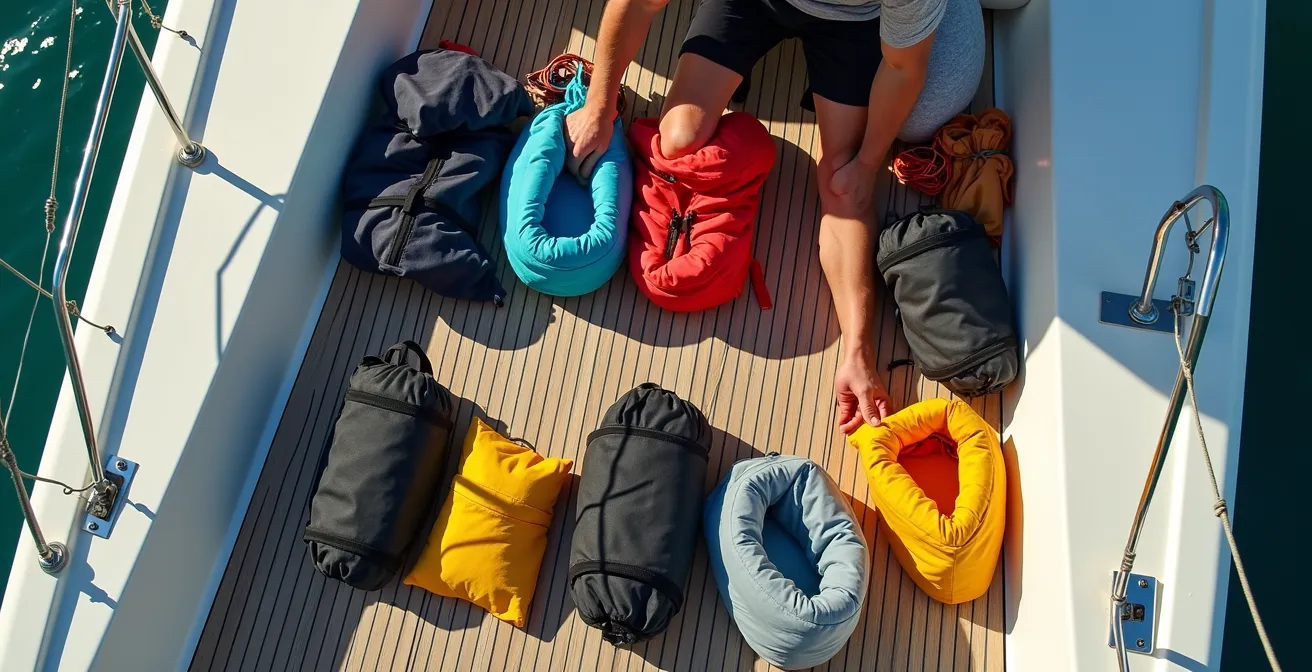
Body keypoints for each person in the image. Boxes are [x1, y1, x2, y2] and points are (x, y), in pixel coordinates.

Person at [564, 0, 984, 433]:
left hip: (855, 20)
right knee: (676, 142)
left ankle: (857, 353)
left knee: (851, 175)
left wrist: (865, 164)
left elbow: (901, 70)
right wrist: (600, 102)